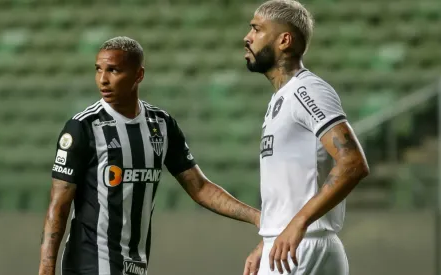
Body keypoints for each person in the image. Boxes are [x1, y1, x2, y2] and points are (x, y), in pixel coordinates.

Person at [38, 36, 261, 275]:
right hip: (91, 263)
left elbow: (200, 188)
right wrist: (46, 267)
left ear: (138, 75)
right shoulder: (83, 127)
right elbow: (58, 203)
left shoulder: (161, 124)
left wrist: (257, 217)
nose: (103, 79)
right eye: (99, 70)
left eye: (113, 70)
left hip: (136, 264)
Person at [241, 1, 369, 275]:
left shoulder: (307, 90)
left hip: (300, 249)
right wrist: (270, 237)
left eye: (256, 29)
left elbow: (353, 163)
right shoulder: (283, 97)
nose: (247, 37)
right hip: (290, 245)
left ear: (284, 40)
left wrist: (297, 224)